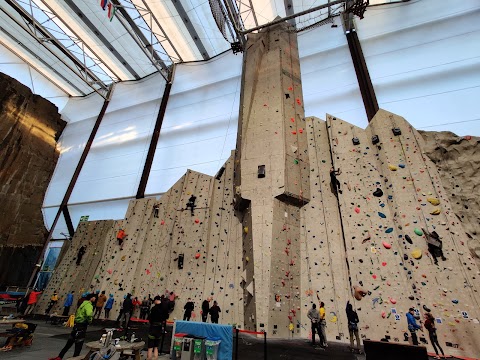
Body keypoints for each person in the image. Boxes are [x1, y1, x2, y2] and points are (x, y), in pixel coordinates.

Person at [49, 293, 96, 360]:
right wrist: (90, 321)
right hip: (82, 325)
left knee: (69, 343)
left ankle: (60, 356)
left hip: (77, 324)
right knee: (78, 345)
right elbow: (89, 314)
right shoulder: (89, 305)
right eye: (94, 297)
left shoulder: (83, 303)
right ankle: (75, 358)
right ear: (91, 298)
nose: (95, 298)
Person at [147, 296, 163, 360]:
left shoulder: (154, 308)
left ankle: (149, 358)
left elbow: (150, 318)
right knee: (156, 346)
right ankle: (155, 358)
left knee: (150, 346)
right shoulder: (163, 308)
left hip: (153, 327)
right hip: (159, 328)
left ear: (156, 300)